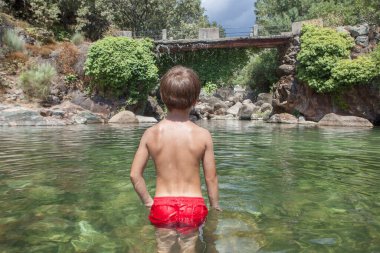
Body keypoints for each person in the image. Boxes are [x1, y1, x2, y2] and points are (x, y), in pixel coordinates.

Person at [130, 66, 220, 253]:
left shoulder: (150, 134)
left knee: (163, 249)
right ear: (195, 101)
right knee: (189, 247)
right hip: (193, 206)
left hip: (162, 205)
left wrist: (148, 202)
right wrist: (215, 207)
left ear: (162, 98)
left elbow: (135, 175)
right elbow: (211, 178)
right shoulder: (203, 135)